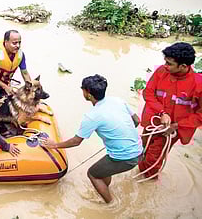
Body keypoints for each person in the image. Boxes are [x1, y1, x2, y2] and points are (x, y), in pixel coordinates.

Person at [41, 74, 142, 204]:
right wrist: (121, 134)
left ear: (88, 94)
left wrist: (54, 145)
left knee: (92, 174)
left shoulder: (92, 116)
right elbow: (136, 121)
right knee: (102, 170)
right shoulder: (118, 101)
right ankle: (105, 188)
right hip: (139, 151)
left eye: (83, 89)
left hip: (126, 158)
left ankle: (110, 204)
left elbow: (76, 141)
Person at [138, 42, 202, 179]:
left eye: (169, 63)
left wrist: (176, 126)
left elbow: (200, 115)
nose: (165, 65)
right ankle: (140, 174)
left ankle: (148, 182)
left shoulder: (198, 84)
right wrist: (162, 113)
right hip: (153, 121)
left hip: (170, 131)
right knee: (142, 148)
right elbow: (148, 93)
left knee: (153, 159)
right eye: (165, 62)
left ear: (184, 66)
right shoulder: (162, 71)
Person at [0, 30, 32, 100]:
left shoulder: (20, 54)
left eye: (19, 42)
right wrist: (5, 87)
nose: (18, 46)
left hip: (6, 82)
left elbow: (24, 72)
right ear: (6, 42)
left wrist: (30, 88)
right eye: (14, 43)